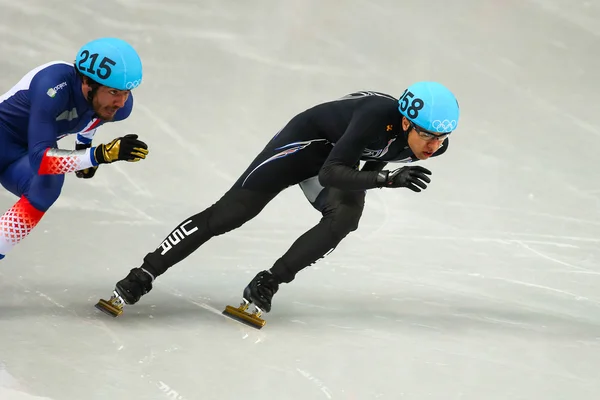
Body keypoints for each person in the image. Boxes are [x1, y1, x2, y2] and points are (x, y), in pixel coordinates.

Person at [96, 82, 459, 326]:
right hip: (302, 145)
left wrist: (379, 175)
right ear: (407, 121)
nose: (433, 146)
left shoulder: (427, 144)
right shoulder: (376, 117)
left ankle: (267, 283)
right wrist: (384, 180)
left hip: (337, 156)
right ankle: (143, 274)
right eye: (427, 135)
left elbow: (377, 156)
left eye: (441, 138)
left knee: (345, 217)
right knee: (230, 215)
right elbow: (334, 173)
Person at [0, 37, 149, 260]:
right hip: (12, 142)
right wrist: (98, 155)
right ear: (88, 84)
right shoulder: (53, 84)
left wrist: (84, 144)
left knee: (47, 183)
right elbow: (40, 160)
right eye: (114, 92)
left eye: (126, 93)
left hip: (19, 153)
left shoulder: (118, 106)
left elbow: (92, 119)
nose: (121, 102)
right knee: (48, 169)